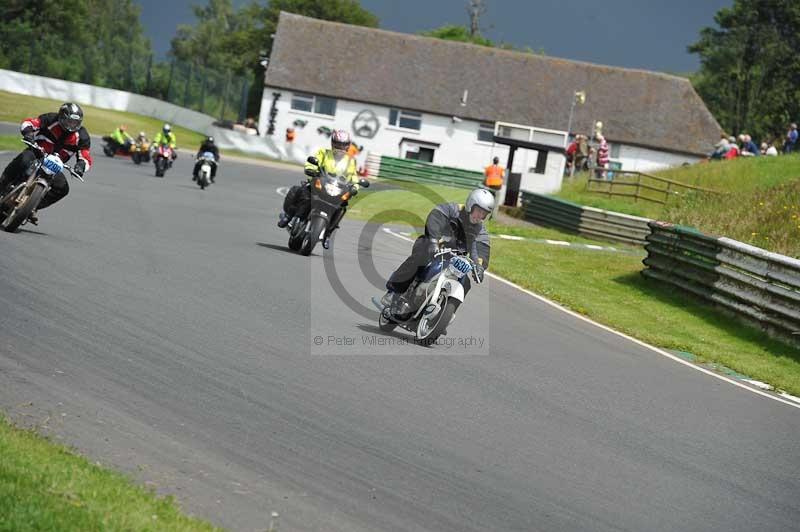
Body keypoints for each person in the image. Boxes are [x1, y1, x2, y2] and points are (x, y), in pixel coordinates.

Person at [380, 188, 494, 312]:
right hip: (433, 246)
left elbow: (482, 249)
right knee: (421, 257)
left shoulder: (480, 231)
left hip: (453, 259)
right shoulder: (452, 210)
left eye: (484, 214)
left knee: (465, 283)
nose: (480, 216)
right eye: (478, 211)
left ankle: (446, 314)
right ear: (470, 205)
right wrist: (433, 241)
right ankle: (394, 292)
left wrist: (479, 267)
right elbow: (435, 218)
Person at [0, 102, 91, 224]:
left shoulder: (82, 135)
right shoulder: (50, 119)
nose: (71, 125)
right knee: (23, 160)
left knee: (63, 188)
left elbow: (85, 155)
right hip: (37, 153)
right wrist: (29, 134)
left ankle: (32, 207)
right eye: (69, 121)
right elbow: (30, 123)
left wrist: (81, 166)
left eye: (75, 122)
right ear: (61, 117)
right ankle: (2, 185)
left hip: (54, 165)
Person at [277, 129, 359, 249]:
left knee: (342, 207)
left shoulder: (351, 161)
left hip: (337, 188)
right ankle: (288, 216)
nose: (340, 147)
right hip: (319, 182)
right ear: (332, 143)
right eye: (337, 144)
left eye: (343, 145)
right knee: (301, 191)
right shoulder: (324, 153)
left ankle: (328, 234)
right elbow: (313, 162)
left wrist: (355, 186)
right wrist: (311, 168)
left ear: (347, 146)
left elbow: (354, 176)